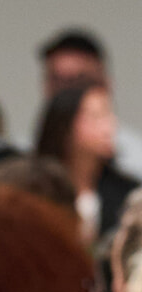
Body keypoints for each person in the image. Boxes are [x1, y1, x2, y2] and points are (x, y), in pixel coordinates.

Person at [35, 79, 138, 246]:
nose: (110, 125)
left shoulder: (127, 192)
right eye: (96, 116)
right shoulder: (34, 190)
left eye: (109, 114)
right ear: (64, 124)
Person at [37, 28, 142, 183]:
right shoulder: (22, 159)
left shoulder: (136, 161)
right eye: (58, 80)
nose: (68, 92)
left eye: (81, 81)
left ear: (106, 84)